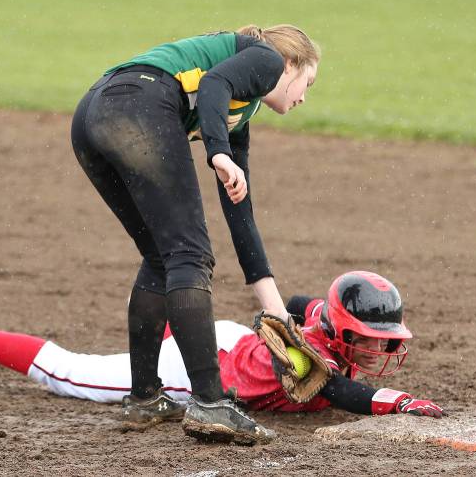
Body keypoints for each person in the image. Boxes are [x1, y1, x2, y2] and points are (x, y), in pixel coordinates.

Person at [64, 25, 322, 444]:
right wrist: (216, 151)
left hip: (94, 112)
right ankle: (210, 401)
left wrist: (275, 309)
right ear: (290, 64)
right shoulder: (268, 58)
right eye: (307, 81)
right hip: (137, 103)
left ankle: (145, 399)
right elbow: (215, 83)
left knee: (163, 256)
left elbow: (242, 216)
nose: (304, 96)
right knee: (189, 255)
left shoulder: (238, 112)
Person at [0, 271, 444, 447]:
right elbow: (341, 394)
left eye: (384, 341)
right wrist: (397, 401)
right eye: (369, 338)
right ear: (337, 328)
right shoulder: (310, 364)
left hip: (227, 339)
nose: (379, 348)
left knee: (178, 323)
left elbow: (305, 304)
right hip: (191, 368)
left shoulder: (320, 331)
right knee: (68, 374)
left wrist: (303, 310)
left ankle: (159, 302)